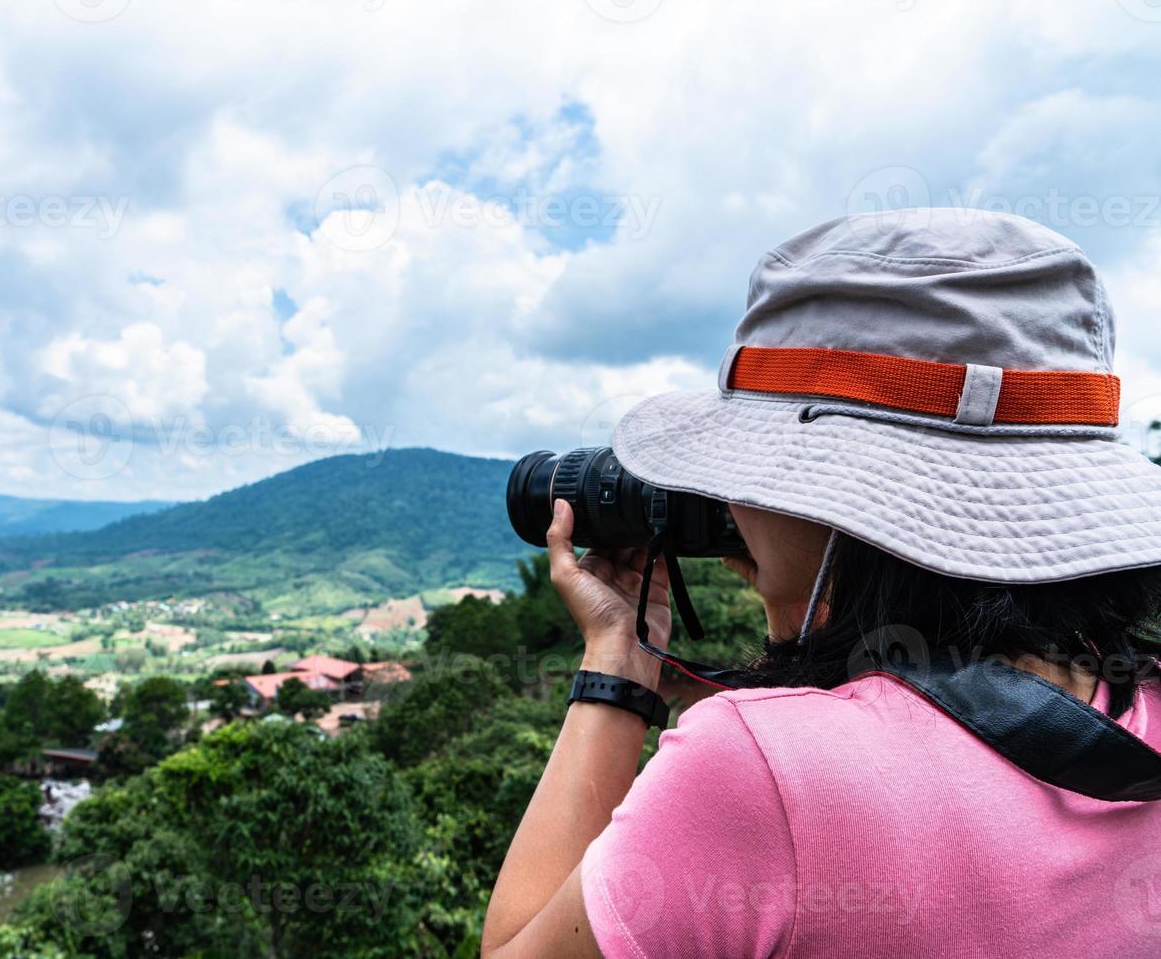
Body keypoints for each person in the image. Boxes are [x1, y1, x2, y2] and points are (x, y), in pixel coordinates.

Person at [481, 208, 1161, 957]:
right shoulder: (1142, 712)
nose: (736, 503)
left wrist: (617, 661)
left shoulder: (760, 772)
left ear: (830, 507)